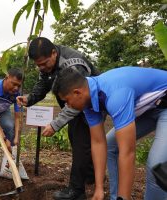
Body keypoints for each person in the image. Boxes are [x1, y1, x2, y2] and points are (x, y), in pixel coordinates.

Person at [52, 66, 167, 200]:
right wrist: (99, 188)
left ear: (77, 92)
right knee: (111, 145)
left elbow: (128, 152)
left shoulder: (116, 94)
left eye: (66, 101)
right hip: (150, 108)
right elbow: (98, 142)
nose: (68, 106)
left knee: (156, 166)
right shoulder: (88, 101)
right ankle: (115, 196)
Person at [16, 37, 97, 200]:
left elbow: (76, 103)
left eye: (44, 64)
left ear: (54, 53)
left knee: (81, 144)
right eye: (38, 65)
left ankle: (77, 191)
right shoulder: (47, 64)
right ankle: (90, 176)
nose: (42, 68)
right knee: (77, 140)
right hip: (74, 105)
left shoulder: (73, 66)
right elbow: (43, 84)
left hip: (88, 106)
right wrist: (30, 99)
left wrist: (55, 124)